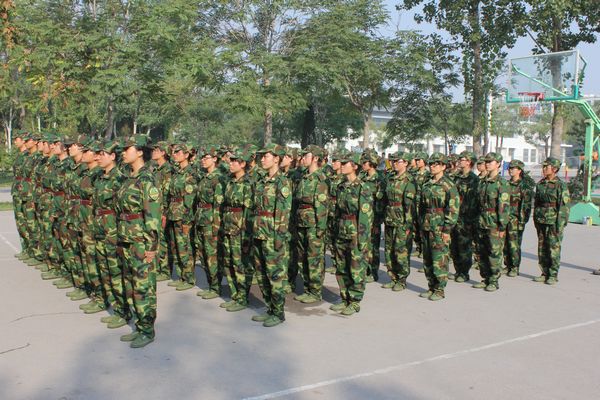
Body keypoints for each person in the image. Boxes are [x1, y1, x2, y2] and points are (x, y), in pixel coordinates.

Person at [115, 135, 161, 348]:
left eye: (128, 148)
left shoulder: (147, 180)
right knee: (131, 286)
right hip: (127, 239)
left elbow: (152, 216)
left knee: (143, 287)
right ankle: (140, 325)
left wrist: (151, 246)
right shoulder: (129, 178)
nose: (124, 152)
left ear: (140, 151)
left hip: (141, 242)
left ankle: (147, 330)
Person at [251, 143, 292, 327]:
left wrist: (278, 239)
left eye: (266, 156)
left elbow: (283, 213)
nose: (262, 160)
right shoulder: (262, 181)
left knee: (275, 275)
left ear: (276, 159)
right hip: (259, 232)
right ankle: (270, 308)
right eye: (261, 156)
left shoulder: (282, 182)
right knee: (261, 274)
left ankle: (278, 312)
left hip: (272, 235)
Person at [329, 152, 373, 315]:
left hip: (355, 231)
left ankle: (354, 301)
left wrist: (362, 239)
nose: (341, 166)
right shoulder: (341, 186)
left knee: (356, 267)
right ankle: (344, 298)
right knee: (341, 266)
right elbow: (337, 212)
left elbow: (365, 216)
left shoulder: (363, 187)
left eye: (345, 163)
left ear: (354, 166)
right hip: (342, 230)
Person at [93, 140, 128, 329]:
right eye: (97, 154)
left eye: (102, 154)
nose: (98, 157)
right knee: (105, 271)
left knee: (116, 272)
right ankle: (115, 307)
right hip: (100, 228)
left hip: (112, 231)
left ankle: (124, 311)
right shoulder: (100, 178)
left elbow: (121, 209)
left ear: (113, 156)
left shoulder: (119, 179)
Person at [418, 153, 459, 301]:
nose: (433, 166)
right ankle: (431, 286)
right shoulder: (427, 184)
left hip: (440, 227)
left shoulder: (448, 185)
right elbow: (421, 206)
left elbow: (453, 209)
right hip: (427, 226)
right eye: (431, 164)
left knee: (439, 259)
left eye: (437, 164)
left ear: (443, 166)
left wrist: (447, 229)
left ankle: (440, 289)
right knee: (428, 258)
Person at [293, 145, 330, 303]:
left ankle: (315, 291)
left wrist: (321, 228)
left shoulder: (320, 179)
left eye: (306, 156)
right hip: (302, 222)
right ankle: (307, 288)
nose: (303, 159)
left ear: (315, 158)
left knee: (314, 257)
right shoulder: (304, 177)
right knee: (302, 257)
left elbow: (322, 207)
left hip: (314, 224)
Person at [221, 148, 255, 312]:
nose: (231, 163)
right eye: (231, 160)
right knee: (228, 262)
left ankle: (243, 297)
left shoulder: (248, 184)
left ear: (243, 164)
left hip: (240, 230)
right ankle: (235, 294)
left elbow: (249, 211)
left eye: (235, 161)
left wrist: (247, 234)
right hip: (228, 226)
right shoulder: (230, 182)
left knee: (240, 263)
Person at [473, 152, 509, 292]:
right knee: (481, 251)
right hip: (481, 220)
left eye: (490, 162)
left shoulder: (501, 183)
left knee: (494, 252)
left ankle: (493, 280)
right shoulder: (482, 182)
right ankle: (485, 278)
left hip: (494, 222)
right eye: (486, 162)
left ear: (498, 164)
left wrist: (502, 226)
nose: (487, 164)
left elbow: (504, 207)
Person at [382, 151, 416, 291]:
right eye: (393, 161)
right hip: (390, 219)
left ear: (406, 163)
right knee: (389, 250)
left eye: (398, 161)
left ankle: (402, 280)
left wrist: (408, 225)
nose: (394, 163)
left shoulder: (409, 181)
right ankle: (393, 277)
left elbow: (410, 206)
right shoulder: (390, 178)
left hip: (402, 220)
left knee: (401, 250)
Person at [533, 157, 570, 285]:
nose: (544, 169)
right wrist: (535, 219)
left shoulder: (560, 185)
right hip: (541, 220)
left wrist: (560, 224)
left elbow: (564, 207)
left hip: (553, 221)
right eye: (543, 167)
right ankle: (544, 272)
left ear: (554, 169)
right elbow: (537, 203)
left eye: (546, 167)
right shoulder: (540, 184)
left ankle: (553, 274)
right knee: (542, 248)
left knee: (553, 248)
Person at [195, 146, 226, 299]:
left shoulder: (218, 178)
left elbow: (218, 206)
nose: (203, 160)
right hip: (201, 218)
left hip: (210, 221)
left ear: (214, 159)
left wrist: (216, 227)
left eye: (206, 158)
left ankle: (215, 287)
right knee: (202, 253)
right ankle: (210, 285)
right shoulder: (204, 177)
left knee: (211, 254)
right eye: (202, 157)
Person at [166, 143, 197, 290]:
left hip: (183, 215)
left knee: (185, 247)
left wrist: (187, 220)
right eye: (174, 152)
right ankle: (181, 276)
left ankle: (189, 278)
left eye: (178, 152)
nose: (175, 154)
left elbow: (189, 200)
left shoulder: (190, 173)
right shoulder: (177, 172)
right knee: (175, 246)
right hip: (173, 213)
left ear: (186, 155)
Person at [450, 151, 479, 282]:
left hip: (466, 217)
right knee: (454, 246)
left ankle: (464, 272)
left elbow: (474, 202)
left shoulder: (473, 179)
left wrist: (470, 220)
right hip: (454, 216)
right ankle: (458, 270)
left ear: (469, 162)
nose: (460, 161)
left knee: (464, 246)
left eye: (462, 159)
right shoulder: (456, 177)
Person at [503, 160, 533, 277]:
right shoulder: (506, 184)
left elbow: (526, 205)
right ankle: (507, 265)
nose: (510, 170)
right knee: (505, 243)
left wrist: (522, 221)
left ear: (519, 170)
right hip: (505, 217)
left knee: (514, 244)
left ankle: (514, 267)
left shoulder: (524, 186)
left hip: (516, 218)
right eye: (510, 168)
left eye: (513, 168)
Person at [360, 149, 385, 283]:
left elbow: (380, 204)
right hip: (362, 218)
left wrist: (377, 222)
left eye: (365, 162)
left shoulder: (379, 180)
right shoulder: (362, 177)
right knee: (363, 245)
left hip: (373, 218)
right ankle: (364, 269)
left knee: (373, 247)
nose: (362, 165)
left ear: (372, 163)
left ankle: (373, 271)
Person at [151, 141, 174, 282]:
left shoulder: (167, 170)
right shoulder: (156, 169)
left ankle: (165, 271)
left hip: (162, 210)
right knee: (157, 239)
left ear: (163, 152)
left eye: (156, 150)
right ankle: (159, 268)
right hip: (155, 209)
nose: (153, 152)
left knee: (164, 241)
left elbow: (167, 193)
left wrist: (165, 213)